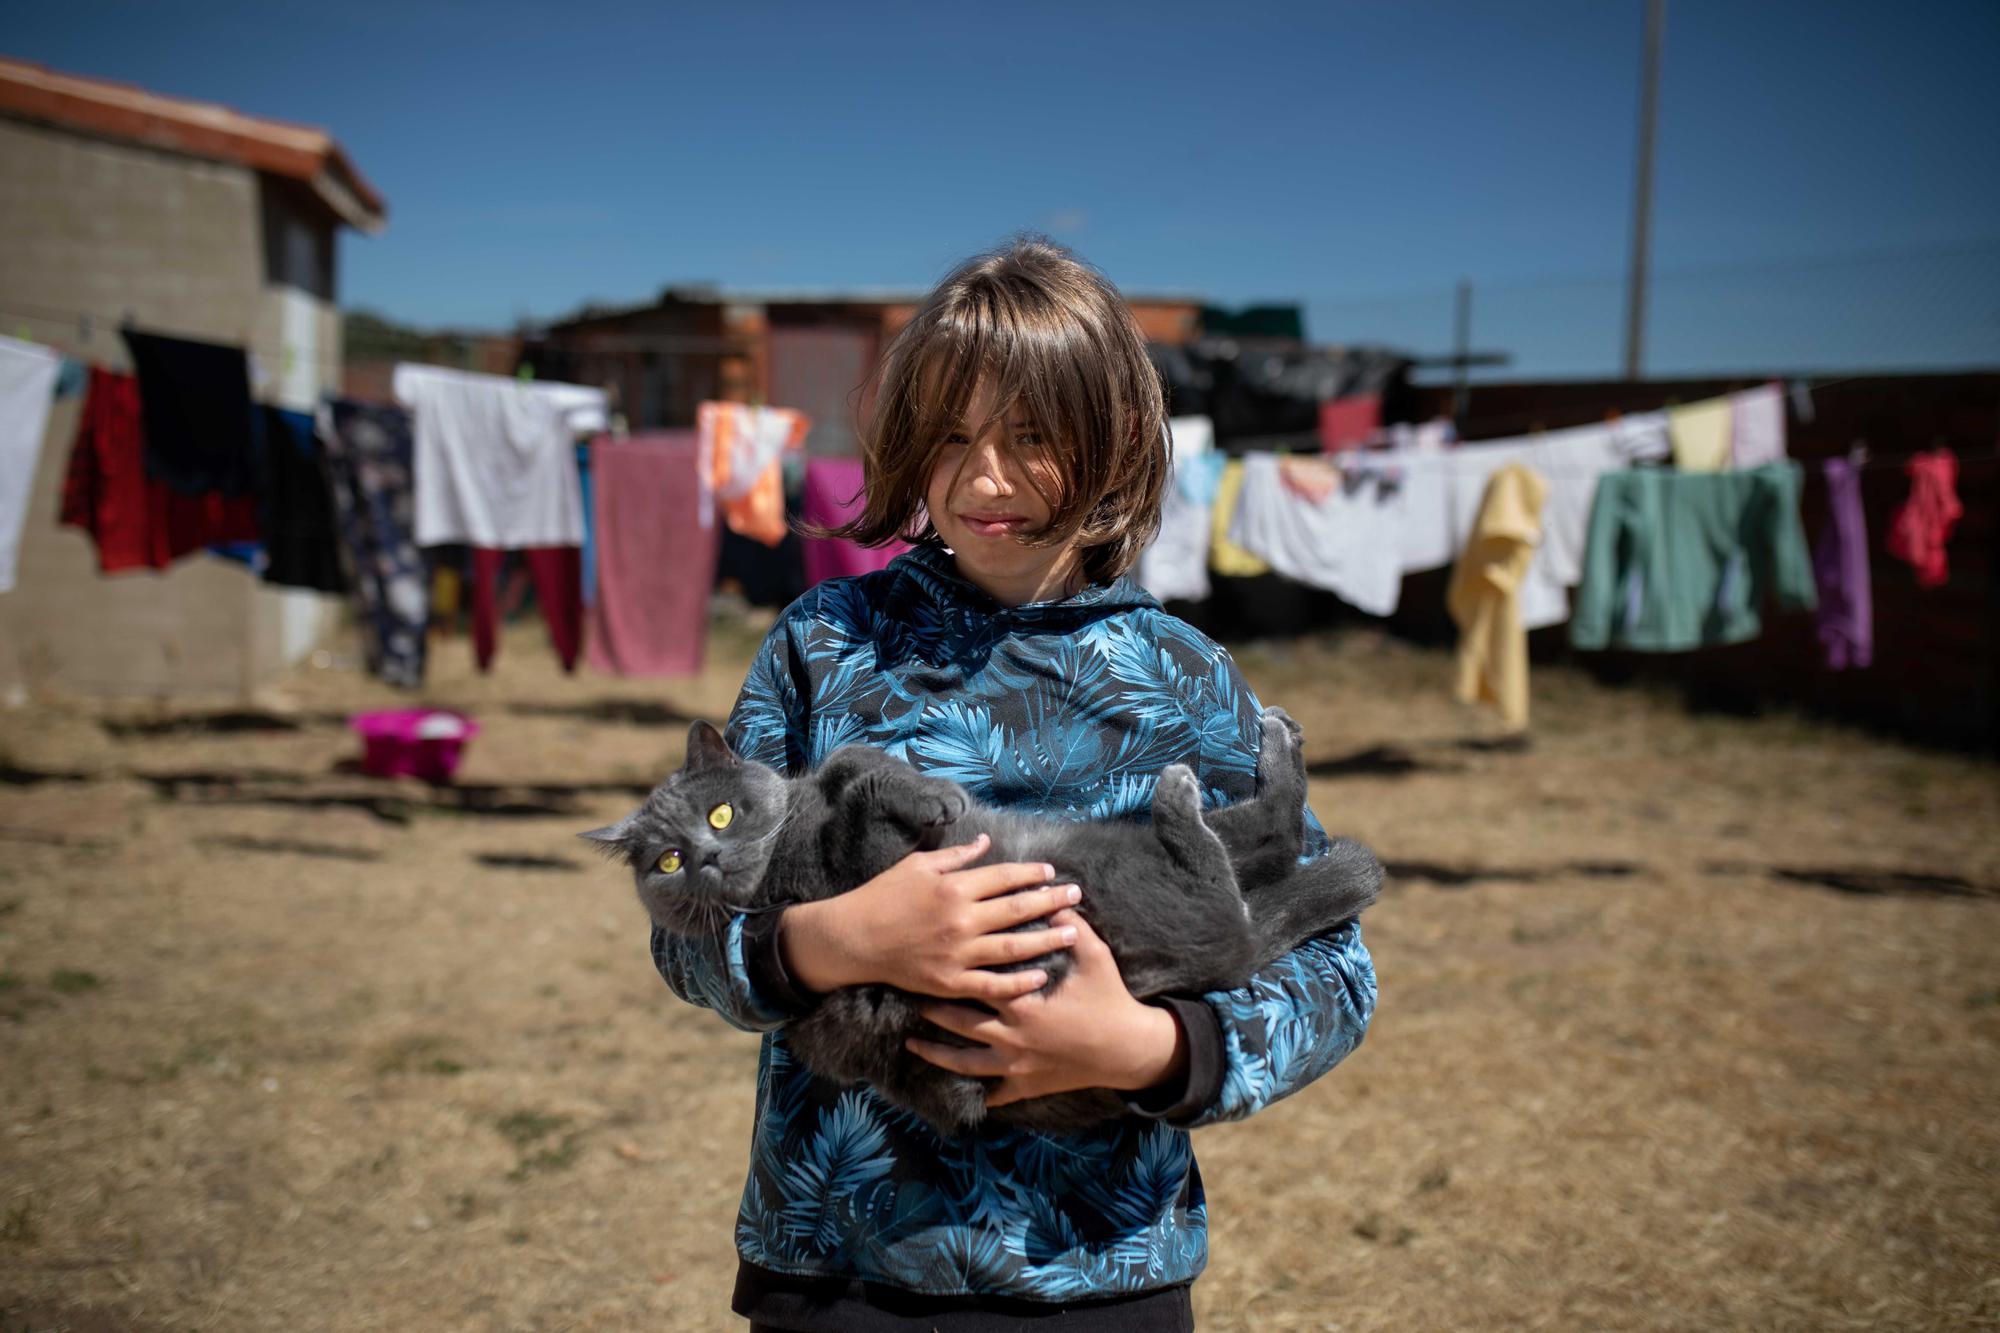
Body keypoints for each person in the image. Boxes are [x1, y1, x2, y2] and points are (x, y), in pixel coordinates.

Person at [655, 237, 1377, 1331]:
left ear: (1120, 435)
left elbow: (1334, 968)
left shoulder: (1180, 677)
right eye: (951, 437)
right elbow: (682, 926)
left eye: (1032, 438)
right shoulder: (821, 644)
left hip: (1099, 1279)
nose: (985, 479)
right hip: (836, 1274)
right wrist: (829, 943)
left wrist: (1143, 1047)